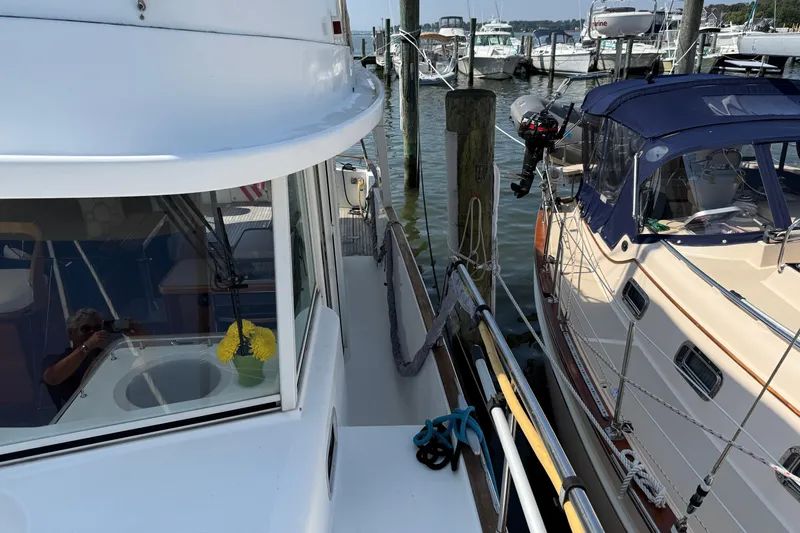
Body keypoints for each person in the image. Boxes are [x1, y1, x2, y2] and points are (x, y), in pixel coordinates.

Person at [42, 308, 141, 409]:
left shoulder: (112, 356)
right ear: (71, 333)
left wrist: (139, 332)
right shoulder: (55, 360)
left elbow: (138, 368)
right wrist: (87, 346)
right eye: (86, 329)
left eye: (97, 328)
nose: (93, 333)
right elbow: (52, 378)